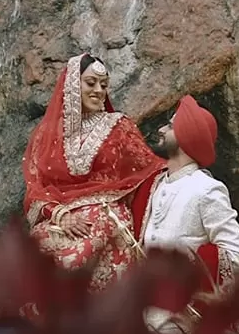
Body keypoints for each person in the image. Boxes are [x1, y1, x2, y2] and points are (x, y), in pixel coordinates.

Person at [20, 52, 164, 290]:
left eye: (104, 85)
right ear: (72, 86)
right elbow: (35, 190)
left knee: (73, 261)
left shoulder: (119, 126)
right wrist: (61, 215)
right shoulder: (46, 135)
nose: (99, 90)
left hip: (107, 219)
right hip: (62, 220)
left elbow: (149, 170)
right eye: (91, 82)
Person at [141, 96, 239, 333]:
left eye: (169, 126)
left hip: (182, 326)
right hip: (142, 322)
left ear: (186, 137)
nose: (161, 129)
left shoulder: (207, 189)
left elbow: (238, 256)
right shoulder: (155, 185)